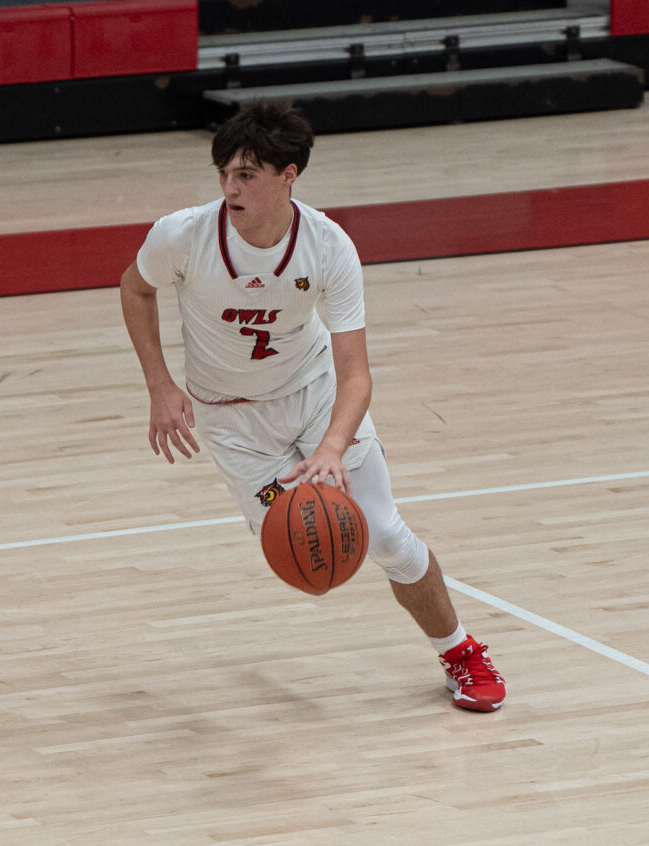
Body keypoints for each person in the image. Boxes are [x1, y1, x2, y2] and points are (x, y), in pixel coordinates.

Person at [119, 102, 505, 712]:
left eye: (246, 175)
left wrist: (330, 447)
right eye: (223, 173)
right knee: (300, 541)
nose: (229, 188)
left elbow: (356, 374)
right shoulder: (183, 235)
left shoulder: (328, 246)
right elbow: (135, 287)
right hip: (234, 420)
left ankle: (462, 653)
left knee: (385, 535)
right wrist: (159, 385)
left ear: (288, 175)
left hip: (316, 397)